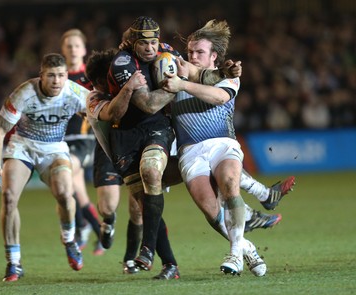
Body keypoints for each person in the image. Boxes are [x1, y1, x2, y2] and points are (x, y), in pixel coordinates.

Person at [162, 19, 272, 276]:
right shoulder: (175, 73)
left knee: (230, 182)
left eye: (199, 52)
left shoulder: (228, 78)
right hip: (189, 151)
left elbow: (218, 98)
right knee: (211, 211)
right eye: (190, 52)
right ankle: (247, 248)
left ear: (214, 56)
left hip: (223, 144)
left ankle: (234, 255)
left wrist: (182, 86)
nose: (193, 56)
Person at [0, 53, 89, 282]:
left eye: (61, 75)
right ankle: (14, 262)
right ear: (41, 75)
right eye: (51, 76)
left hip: (55, 149)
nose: (56, 81)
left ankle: (69, 239)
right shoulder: (24, 93)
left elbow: (100, 117)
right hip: (22, 147)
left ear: (66, 75)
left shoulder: (75, 93)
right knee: (8, 197)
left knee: (65, 194)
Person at [86, 47, 181, 280]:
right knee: (146, 209)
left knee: (149, 203)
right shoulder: (95, 98)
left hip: (152, 144)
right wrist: (128, 86)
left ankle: (145, 255)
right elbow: (114, 113)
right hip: (122, 154)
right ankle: (170, 265)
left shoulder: (139, 90)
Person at [60, 28, 104, 255]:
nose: (73, 49)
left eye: (76, 45)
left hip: (84, 140)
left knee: (64, 175)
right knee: (75, 189)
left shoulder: (90, 78)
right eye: (68, 46)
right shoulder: (58, 78)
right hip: (61, 141)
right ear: (63, 50)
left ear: (84, 49)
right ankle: (98, 232)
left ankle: (83, 228)